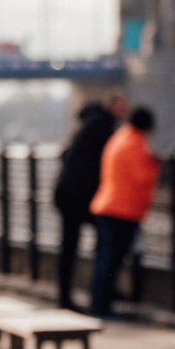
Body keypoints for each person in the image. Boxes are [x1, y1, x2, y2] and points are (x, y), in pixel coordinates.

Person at [53, 93, 127, 309]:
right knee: (107, 237)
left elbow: (68, 155)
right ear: (109, 105)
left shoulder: (90, 123)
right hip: (77, 196)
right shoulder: (102, 126)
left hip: (70, 193)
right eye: (121, 107)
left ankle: (72, 296)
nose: (124, 113)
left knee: (73, 246)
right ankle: (99, 293)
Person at [87, 106, 159, 318]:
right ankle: (101, 308)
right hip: (121, 211)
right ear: (147, 127)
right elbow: (143, 176)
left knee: (104, 260)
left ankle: (99, 305)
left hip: (108, 207)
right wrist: (155, 163)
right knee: (110, 261)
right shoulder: (134, 144)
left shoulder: (120, 137)